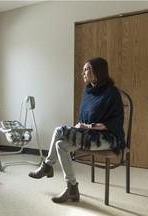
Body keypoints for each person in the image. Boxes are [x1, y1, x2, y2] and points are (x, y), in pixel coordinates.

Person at [28, 57, 125, 203]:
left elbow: (115, 122)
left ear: (98, 72)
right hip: (88, 136)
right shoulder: (88, 91)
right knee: (60, 145)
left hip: (107, 138)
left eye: (87, 69)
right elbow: (83, 119)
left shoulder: (112, 92)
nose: (83, 73)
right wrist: (82, 129)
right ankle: (72, 188)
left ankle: (47, 166)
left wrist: (88, 127)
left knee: (59, 131)